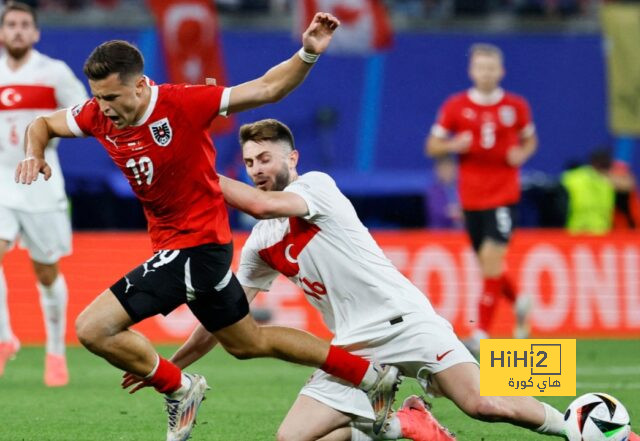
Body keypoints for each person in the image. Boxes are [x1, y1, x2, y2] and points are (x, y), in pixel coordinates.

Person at [15, 16, 400, 441]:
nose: (103, 107)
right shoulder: (96, 114)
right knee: (248, 342)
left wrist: (308, 51)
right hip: (192, 246)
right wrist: (34, 154)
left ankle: (181, 390)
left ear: (140, 86)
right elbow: (43, 124)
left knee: (93, 328)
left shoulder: (182, 102)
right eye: (98, 98)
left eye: (112, 96)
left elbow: (267, 88)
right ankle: (367, 375)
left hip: (194, 246)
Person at [124, 119, 573, 441]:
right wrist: (174, 365)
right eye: (248, 162)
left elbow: (261, 204)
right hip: (352, 350)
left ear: (292, 157)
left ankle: (578, 426)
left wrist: (195, 170)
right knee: (294, 437)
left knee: (484, 404)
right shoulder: (262, 242)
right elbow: (227, 317)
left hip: (406, 322)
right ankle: (406, 424)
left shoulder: (315, 187)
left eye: (265, 158)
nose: (257, 169)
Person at [425, 43, 535, 353]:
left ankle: (481, 333)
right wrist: (453, 144)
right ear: (471, 71)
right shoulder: (456, 106)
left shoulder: (516, 106)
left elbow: (530, 140)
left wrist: (521, 153)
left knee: (491, 258)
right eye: (480, 67)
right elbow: (432, 146)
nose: (486, 73)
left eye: (491, 68)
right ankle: (519, 300)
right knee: (489, 267)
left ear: (501, 71)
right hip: (471, 197)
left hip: (504, 195)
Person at [0, 1, 87, 386]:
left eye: (24, 25)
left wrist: (46, 139)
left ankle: (55, 350)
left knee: (46, 271)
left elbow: (83, 115)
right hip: (0, 178)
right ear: (2, 32)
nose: (18, 31)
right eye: (11, 25)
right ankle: (5, 339)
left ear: (35, 33)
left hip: (40, 181)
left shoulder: (54, 73)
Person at [425, 155, 462, 229]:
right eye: (443, 169)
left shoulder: (463, 186)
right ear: (437, 171)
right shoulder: (433, 190)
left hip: (462, 230)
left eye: (449, 168)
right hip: (441, 231)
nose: (447, 172)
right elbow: (436, 211)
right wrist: (455, 212)